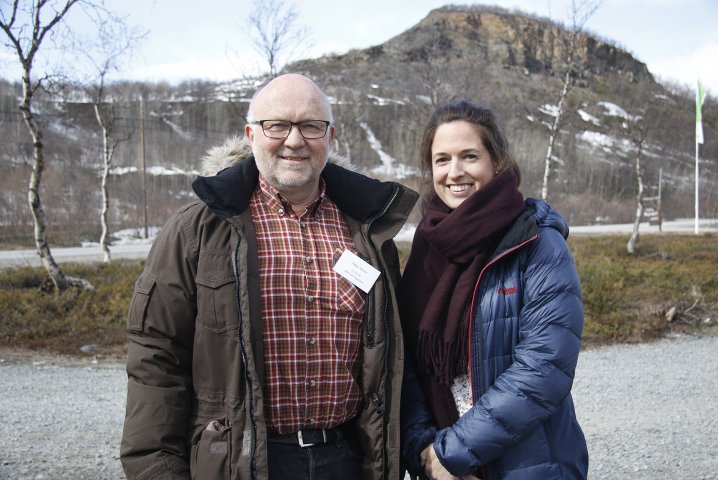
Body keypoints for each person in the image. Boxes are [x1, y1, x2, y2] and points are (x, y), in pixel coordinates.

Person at [120, 73, 418, 480]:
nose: (294, 140)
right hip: (243, 461)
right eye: (277, 125)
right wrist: (157, 471)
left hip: (348, 458)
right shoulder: (199, 230)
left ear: (331, 136)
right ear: (251, 133)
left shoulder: (367, 231)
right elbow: (157, 358)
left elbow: (392, 357)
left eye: (311, 126)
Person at [399, 101, 588, 480]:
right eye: (442, 159)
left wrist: (453, 452)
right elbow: (406, 361)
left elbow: (544, 368)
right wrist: (423, 447)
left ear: (496, 162)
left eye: (469, 156)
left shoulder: (537, 243)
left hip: (524, 464)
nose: (455, 172)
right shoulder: (426, 248)